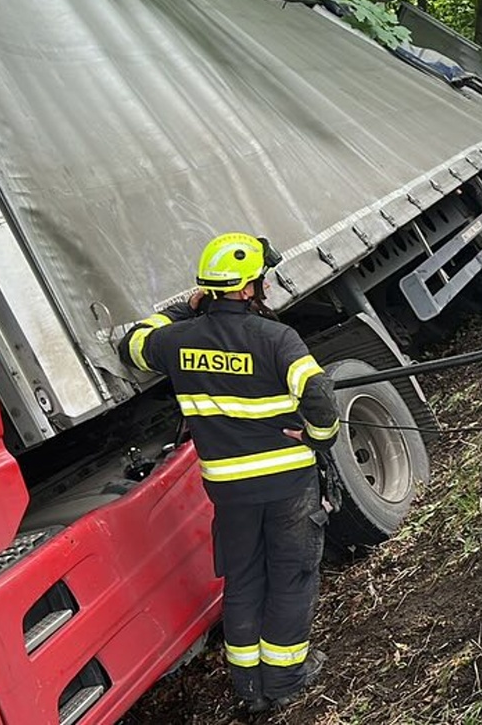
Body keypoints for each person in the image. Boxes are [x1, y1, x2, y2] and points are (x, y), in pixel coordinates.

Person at [119, 232, 338, 713]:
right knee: (291, 577)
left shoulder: (178, 341)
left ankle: (249, 689)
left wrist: (182, 308)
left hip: (228, 491)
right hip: (287, 485)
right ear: (245, 290)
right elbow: (319, 395)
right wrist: (320, 438)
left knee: (242, 581)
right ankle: (285, 678)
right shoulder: (275, 337)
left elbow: (131, 344)